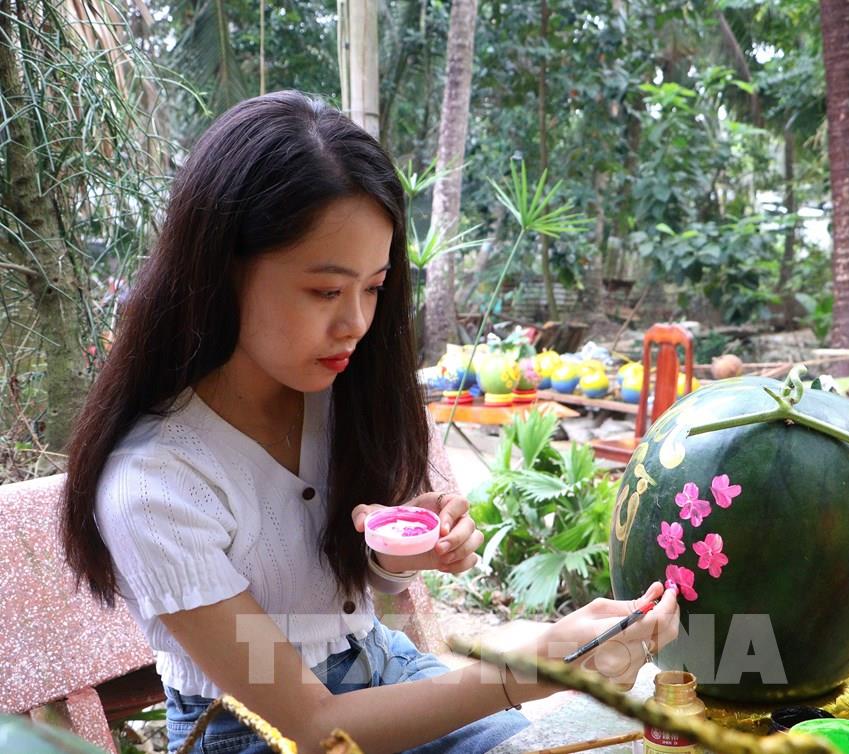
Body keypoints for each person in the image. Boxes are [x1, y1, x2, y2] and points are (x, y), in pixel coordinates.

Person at [59, 90, 679, 754]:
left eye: (374, 287)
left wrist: (397, 550)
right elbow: (311, 727)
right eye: (325, 290)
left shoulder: (339, 397)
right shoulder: (154, 484)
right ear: (221, 271)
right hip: (254, 731)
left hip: (381, 668)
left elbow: (345, 592)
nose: (356, 322)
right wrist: (536, 668)